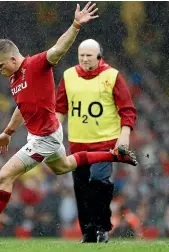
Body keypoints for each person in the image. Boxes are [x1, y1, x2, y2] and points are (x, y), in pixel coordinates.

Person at [0, 2, 137, 244]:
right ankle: (114, 155)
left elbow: (58, 49)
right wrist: (8, 132)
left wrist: (75, 25)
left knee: (5, 175)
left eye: (0, 65)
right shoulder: (14, 79)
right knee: (63, 166)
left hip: (46, 136)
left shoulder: (36, 65)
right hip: (41, 134)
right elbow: (23, 109)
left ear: (12, 58)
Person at [55, 39, 137, 243]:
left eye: (89, 55)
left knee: (99, 182)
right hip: (77, 143)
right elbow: (60, 109)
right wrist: (55, 134)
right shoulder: (68, 75)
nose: (84, 59)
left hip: (104, 144)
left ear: (99, 57)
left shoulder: (113, 76)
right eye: (81, 55)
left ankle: (102, 227)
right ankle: (88, 230)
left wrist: (124, 135)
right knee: (80, 186)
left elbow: (127, 109)